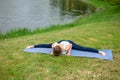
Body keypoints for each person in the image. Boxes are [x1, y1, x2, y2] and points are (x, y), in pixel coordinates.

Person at [26, 40, 106, 56]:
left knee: (83, 49)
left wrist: (68, 53)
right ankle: (33, 45)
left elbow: (70, 46)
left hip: (68, 42)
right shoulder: (54, 45)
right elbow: (44, 45)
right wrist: (33, 46)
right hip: (60, 41)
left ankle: (99, 51)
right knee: (47, 45)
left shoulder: (66, 48)